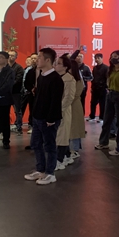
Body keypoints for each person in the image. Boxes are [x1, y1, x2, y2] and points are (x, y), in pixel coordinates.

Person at [24, 48, 64, 185]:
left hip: (48, 119)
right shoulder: (41, 76)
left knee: (49, 146)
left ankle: (50, 173)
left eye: (40, 57)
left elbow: (55, 101)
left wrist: (51, 119)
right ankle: (40, 169)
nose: (37, 60)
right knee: (36, 144)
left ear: (47, 60)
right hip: (37, 117)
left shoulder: (56, 79)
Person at [95, 50, 119, 152]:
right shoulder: (111, 69)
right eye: (112, 56)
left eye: (115, 56)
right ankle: (103, 142)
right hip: (110, 94)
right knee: (107, 119)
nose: (113, 58)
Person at [54, 55, 77, 171]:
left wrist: (59, 109)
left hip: (63, 110)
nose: (56, 65)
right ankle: (67, 156)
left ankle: (59, 160)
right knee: (60, 135)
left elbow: (69, 97)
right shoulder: (56, 77)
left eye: (59, 63)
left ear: (65, 67)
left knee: (62, 135)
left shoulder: (69, 79)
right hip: (55, 110)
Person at [69, 60, 86, 159]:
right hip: (69, 105)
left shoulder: (78, 80)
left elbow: (75, 95)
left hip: (74, 105)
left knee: (75, 128)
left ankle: (75, 149)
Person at [8, 50, 25, 135]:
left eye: (12, 55)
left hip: (16, 92)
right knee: (5, 111)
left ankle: (19, 127)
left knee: (17, 110)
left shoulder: (19, 67)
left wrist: (9, 85)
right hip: (6, 93)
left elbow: (18, 79)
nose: (10, 57)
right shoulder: (5, 67)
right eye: (9, 55)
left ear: (16, 57)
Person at [21, 53, 38, 135]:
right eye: (32, 58)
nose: (33, 60)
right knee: (32, 110)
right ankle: (32, 125)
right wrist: (30, 89)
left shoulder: (42, 70)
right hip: (31, 93)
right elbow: (26, 82)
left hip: (40, 94)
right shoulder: (30, 71)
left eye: (35, 58)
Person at [89, 53, 108, 122]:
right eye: (95, 58)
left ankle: (101, 117)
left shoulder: (106, 68)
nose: (97, 60)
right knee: (93, 103)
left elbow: (107, 78)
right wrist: (92, 87)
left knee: (102, 103)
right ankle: (92, 116)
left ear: (102, 59)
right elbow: (93, 78)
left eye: (98, 58)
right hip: (95, 88)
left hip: (102, 88)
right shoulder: (95, 68)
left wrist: (106, 87)